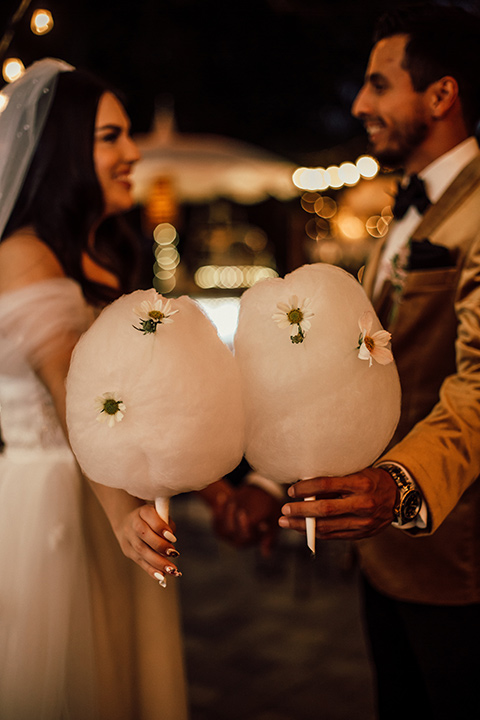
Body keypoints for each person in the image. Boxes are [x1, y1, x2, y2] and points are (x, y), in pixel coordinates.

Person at [279, 5, 480, 719]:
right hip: (378, 553)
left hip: (457, 556)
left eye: (378, 84)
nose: (360, 104)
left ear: (441, 95)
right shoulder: (403, 207)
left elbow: (478, 386)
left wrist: (396, 486)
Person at [0, 59, 188, 720]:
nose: (132, 152)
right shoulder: (24, 254)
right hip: (59, 505)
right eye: (111, 136)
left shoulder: (103, 255)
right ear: (65, 147)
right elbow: (69, 389)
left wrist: (226, 484)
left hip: (113, 495)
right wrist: (120, 516)